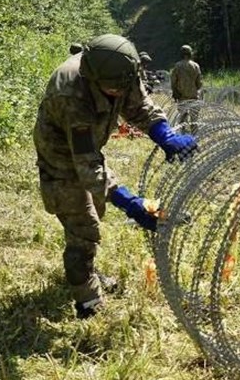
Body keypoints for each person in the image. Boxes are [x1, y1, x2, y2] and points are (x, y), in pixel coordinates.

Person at [34, 34, 198, 319]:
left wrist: (165, 135)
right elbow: (87, 166)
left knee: (95, 208)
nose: (120, 93)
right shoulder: (71, 95)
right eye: (113, 89)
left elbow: (139, 105)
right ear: (94, 79)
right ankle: (86, 299)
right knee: (83, 224)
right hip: (59, 155)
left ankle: (87, 269)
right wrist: (128, 202)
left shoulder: (121, 69)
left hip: (87, 147)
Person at [170, 44, 202, 133]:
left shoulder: (177, 66)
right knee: (194, 120)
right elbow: (199, 83)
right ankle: (195, 137)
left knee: (182, 119)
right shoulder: (196, 66)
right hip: (194, 96)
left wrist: (175, 92)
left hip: (181, 97)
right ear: (190, 54)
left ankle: (183, 136)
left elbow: (173, 82)